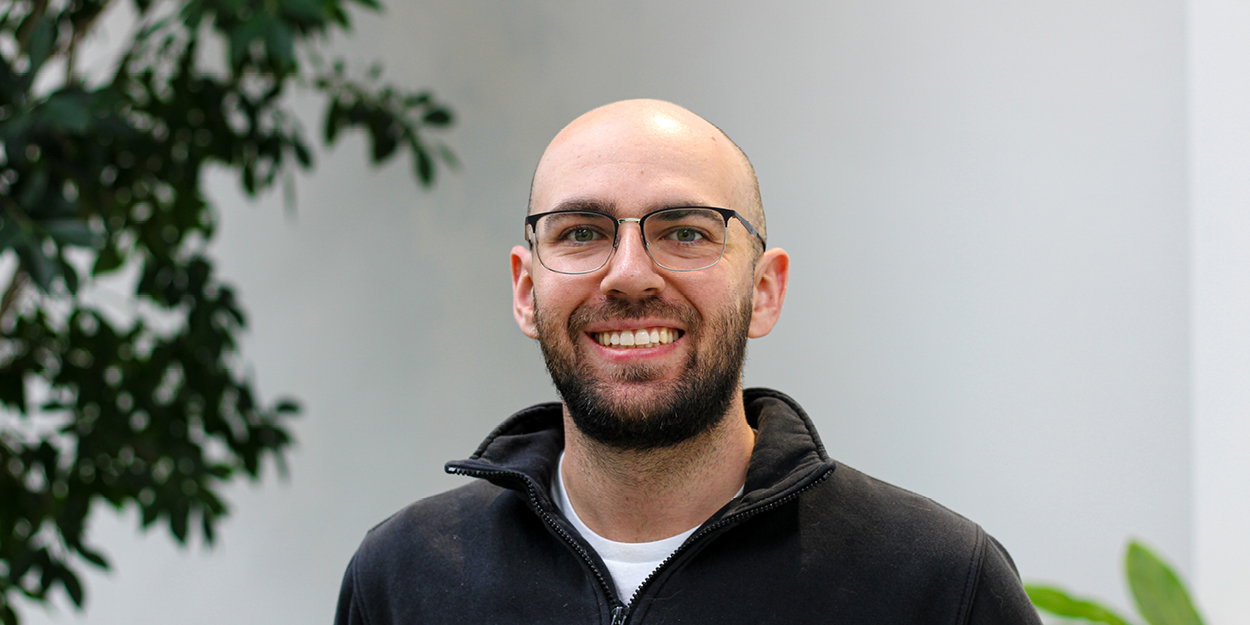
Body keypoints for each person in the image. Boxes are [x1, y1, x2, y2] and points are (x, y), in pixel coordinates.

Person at [334, 99, 1042, 624]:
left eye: (686, 232)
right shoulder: (403, 577)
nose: (629, 274)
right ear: (526, 289)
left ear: (764, 290)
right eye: (582, 232)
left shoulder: (937, 583)